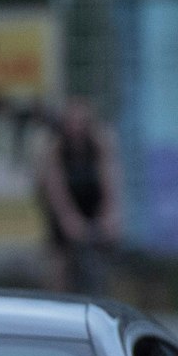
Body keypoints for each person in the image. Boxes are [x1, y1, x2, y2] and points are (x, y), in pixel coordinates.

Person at [37, 97, 122, 294]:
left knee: (103, 251)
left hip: (91, 202)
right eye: (71, 122)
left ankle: (104, 294)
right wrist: (68, 219)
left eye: (81, 122)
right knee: (60, 260)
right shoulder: (55, 149)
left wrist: (109, 215)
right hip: (64, 205)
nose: (76, 128)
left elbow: (110, 182)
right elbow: (56, 190)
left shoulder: (100, 144)